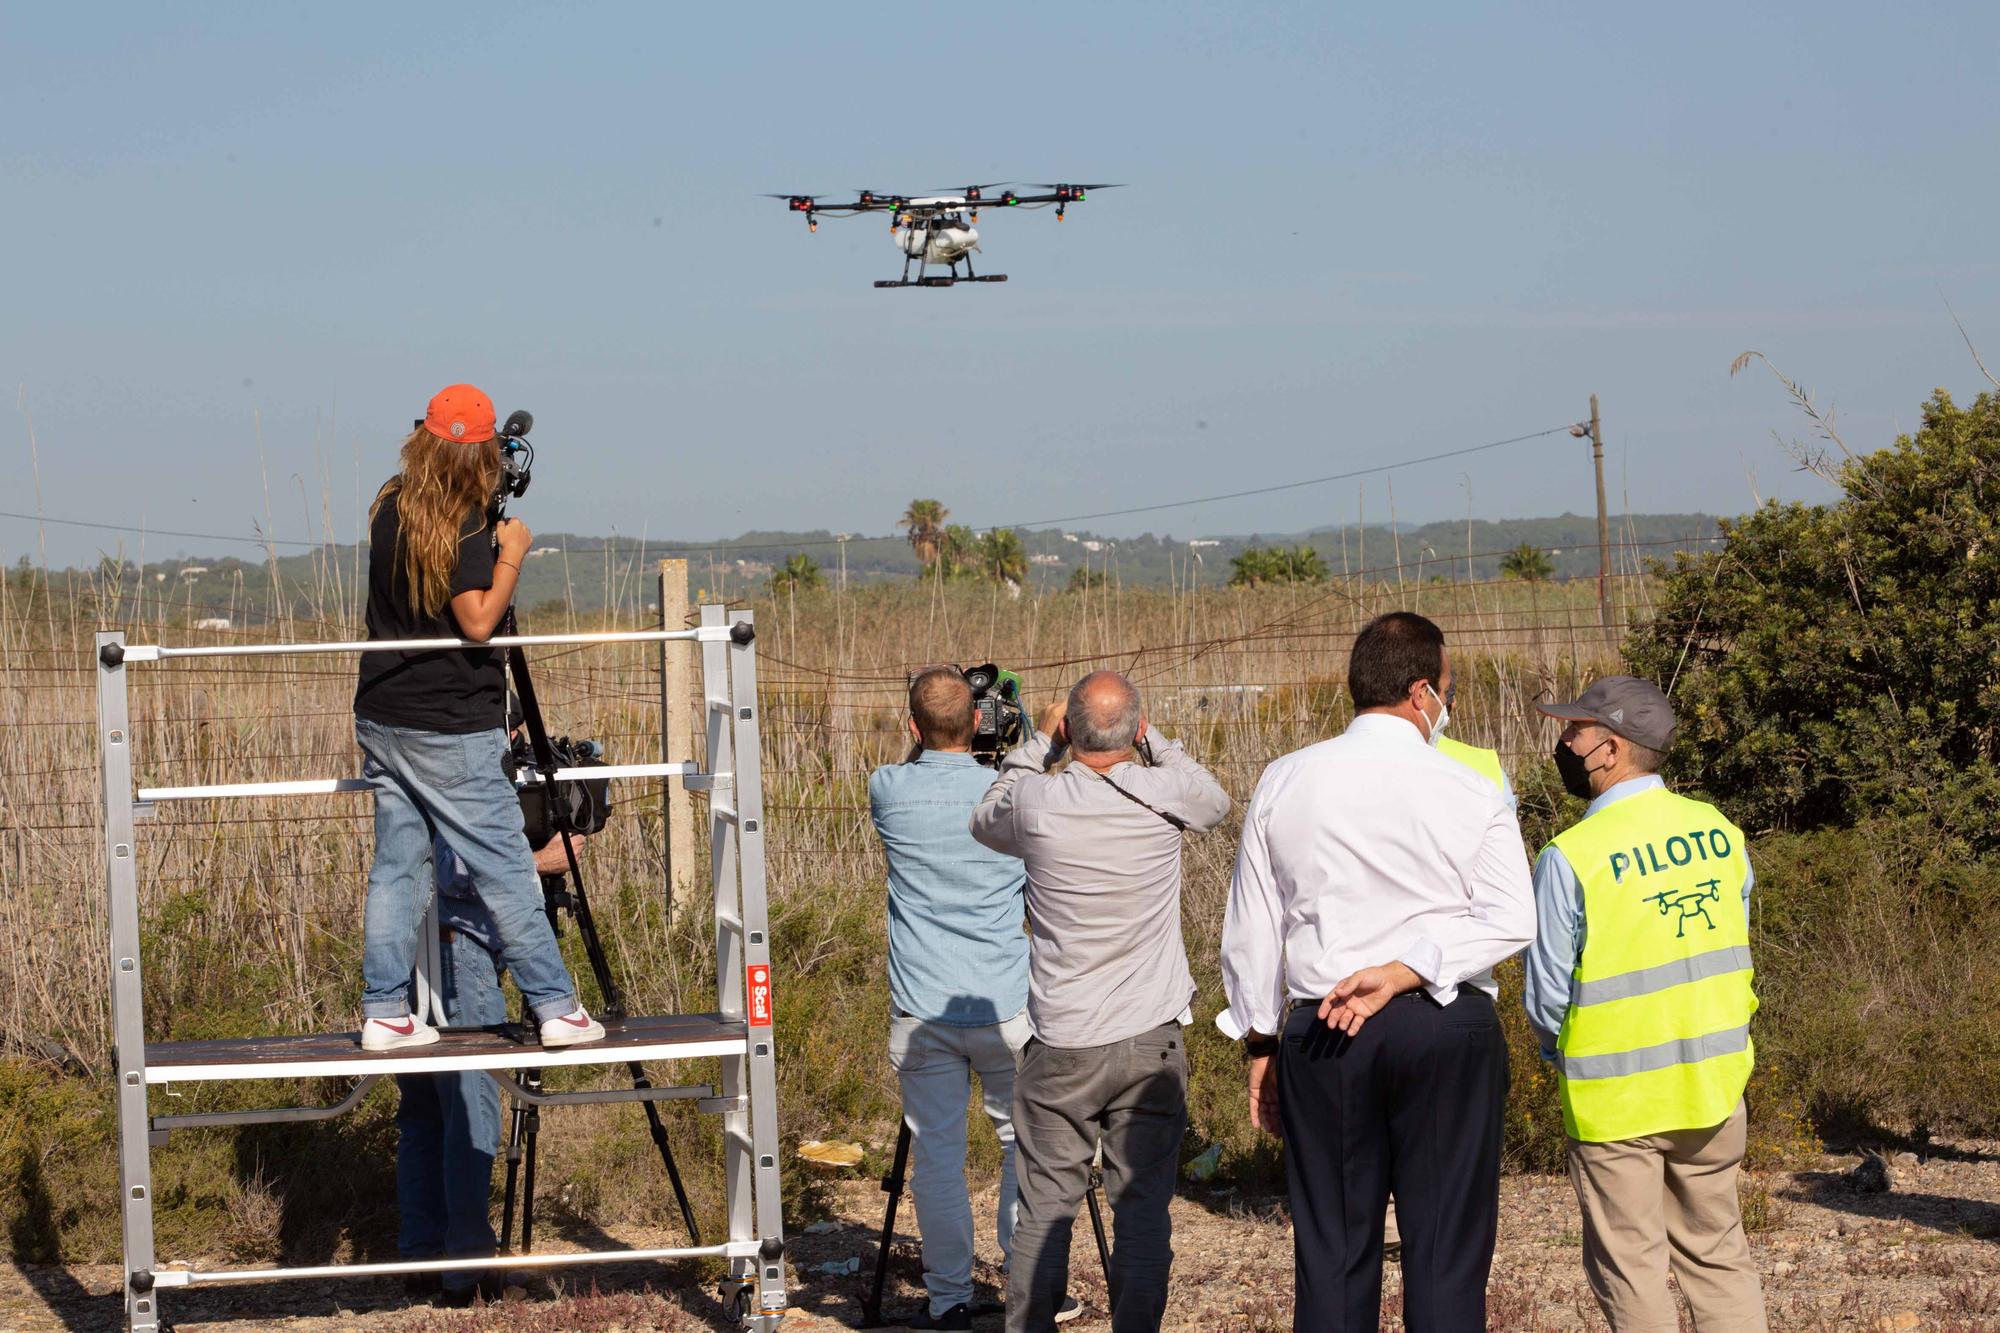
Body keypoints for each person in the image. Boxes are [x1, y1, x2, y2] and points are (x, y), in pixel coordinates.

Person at [1218, 611, 1535, 1332]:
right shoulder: (1469, 784)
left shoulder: (1283, 779)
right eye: (1446, 690)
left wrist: (1261, 1043)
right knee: (1446, 1252)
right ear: (1423, 691)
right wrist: (1408, 968)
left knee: (1331, 1251)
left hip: (1324, 1026)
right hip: (1445, 1023)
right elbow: (1513, 916)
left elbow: (1252, 931)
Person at [970, 672, 1231, 1333]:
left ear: (1069, 731)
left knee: (1046, 1209)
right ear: (1136, 730)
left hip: (1061, 1038)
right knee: (1142, 1209)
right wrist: (1158, 740)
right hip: (1150, 1036)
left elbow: (985, 816)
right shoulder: (1163, 790)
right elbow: (1217, 800)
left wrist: (1036, 744)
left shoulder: (1036, 800)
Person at [353, 383, 601, 1052]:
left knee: (398, 866)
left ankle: (383, 1009)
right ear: (483, 452)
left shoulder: (389, 502)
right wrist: (513, 549)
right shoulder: (462, 521)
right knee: (504, 868)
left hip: (382, 713)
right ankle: (556, 1004)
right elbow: (478, 620)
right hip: (450, 725)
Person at [1525, 677, 1766, 1333]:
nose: (1565, 742)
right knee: (1719, 1257)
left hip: (1615, 1100)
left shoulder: (1570, 856)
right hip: (1713, 1085)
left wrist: (1558, 1053)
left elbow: (1547, 994)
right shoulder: (1720, 833)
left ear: (1611, 748)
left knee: (1630, 1268)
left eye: (1575, 729)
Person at [868, 668, 1083, 1330]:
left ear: (911, 728)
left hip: (922, 1008)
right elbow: (1025, 779)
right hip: (1005, 1001)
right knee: (1024, 1141)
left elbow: (921, 758)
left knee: (937, 1155)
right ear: (982, 724)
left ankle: (949, 1298)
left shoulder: (888, 789)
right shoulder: (1011, 794)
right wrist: (1036, 735)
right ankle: (1030, 1287)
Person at [396, 820, 586, 1304]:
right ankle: (469, 1270)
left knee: (427, 1118)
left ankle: (424, 1260)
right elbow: (453, 870)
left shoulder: (421, 756)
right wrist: (542, 862)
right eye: (514, 736)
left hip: (414, 946)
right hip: (458, 954)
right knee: (469, 1112)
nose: (514, 739)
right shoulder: (465, 762)